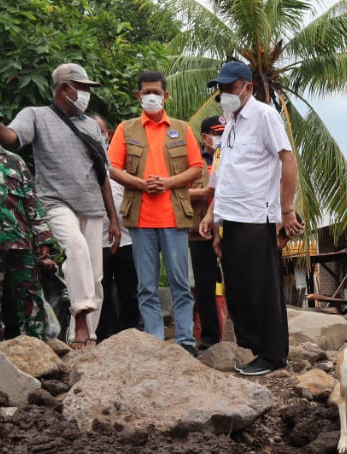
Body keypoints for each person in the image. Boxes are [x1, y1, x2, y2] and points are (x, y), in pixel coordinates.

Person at [0, 63, 122, 349]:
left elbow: (102, 175)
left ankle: (86, 340)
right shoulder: (36, 115)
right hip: (55, 202)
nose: (86, 95)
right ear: (65, 89)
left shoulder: (91, 126)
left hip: (92, 206)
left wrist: (112, 219)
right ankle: (80, 318)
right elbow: (13, 138)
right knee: (75, 247)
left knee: (96, 278)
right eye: (83, 89)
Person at [197, 61, 302, 376]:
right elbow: (225, 174)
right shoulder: (231, 122)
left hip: (258, 216)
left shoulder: (265, 116)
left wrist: (286, 210)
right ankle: (254, 351)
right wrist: (213, 216)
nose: (224, 93)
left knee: (261, 288)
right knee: (238, 288)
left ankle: (272, 355)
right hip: (232, 218)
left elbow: (288, 160)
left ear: (247, 87)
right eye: (221, 88)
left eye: (230, 87)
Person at [107, 70, 205, 353]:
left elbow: (197, 167)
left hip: (174, 216)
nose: (152, 97)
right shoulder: (126, 130)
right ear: (138, 96)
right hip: (140, 218)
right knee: (146, 286)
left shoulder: (182, 129)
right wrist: (140, 184)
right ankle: (155, 343)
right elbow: (113, 169)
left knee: (180, 282)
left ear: (166, 95)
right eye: (146, 92)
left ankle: (185, 341)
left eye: (156, 92)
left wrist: (167, 184)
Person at [0, 102, 57, 346]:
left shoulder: (15, 162)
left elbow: (32, 201)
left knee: (30, 295)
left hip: (20, 241)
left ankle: (37, 345)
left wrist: (43, 239)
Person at [93, 113, 138, 339]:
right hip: (96, 239)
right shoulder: (82, 164)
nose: (96, 136)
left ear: (107, 135)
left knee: (129, 289)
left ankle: (130, 334)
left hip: (128, 237)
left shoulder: (124, 163)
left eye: (99, 132)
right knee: (100, 290)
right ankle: (103, 336)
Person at [189, 115, 226, 349]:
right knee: (204, 285)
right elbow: (180, 193)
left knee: (237, 282)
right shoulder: (193, 161)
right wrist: (205, 192)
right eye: (216, 133)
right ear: (205, 137)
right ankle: (210, 337)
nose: (220, 138)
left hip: (229, 228)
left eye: (224, 132)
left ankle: (240, 335)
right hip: (200, 229)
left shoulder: (233, 156)